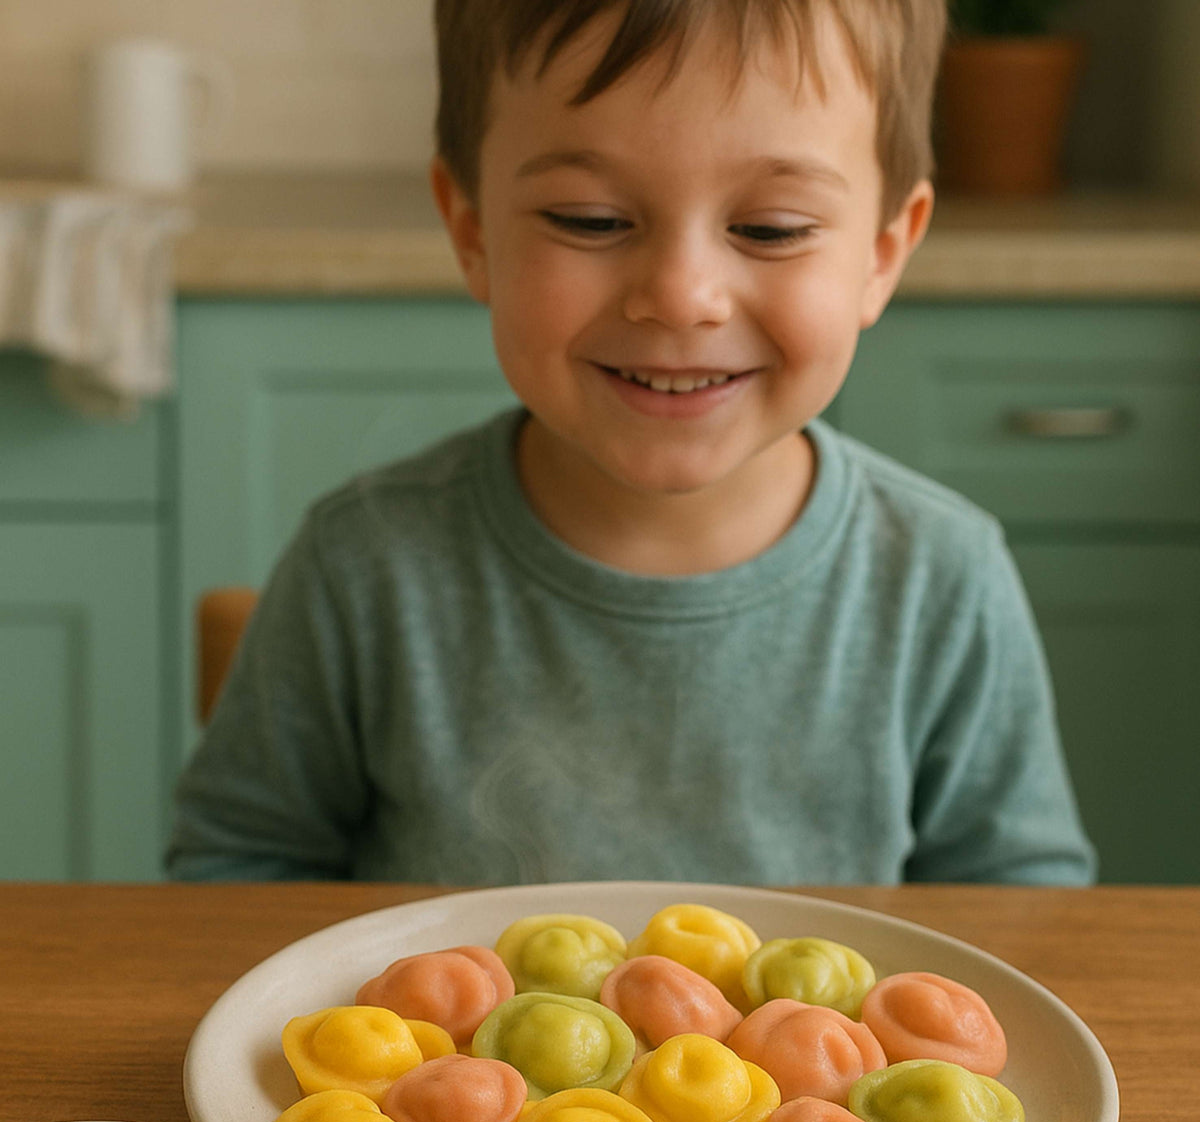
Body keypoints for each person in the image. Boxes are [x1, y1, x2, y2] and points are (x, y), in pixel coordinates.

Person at [166, 0, 1096, 884]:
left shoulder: (944, 579)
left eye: (770, 229)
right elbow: (234, 872)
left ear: (883, 254)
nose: (683, 294)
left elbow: (1020, 912)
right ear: (471, 228)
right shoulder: (363, 565)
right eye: (592, 220)